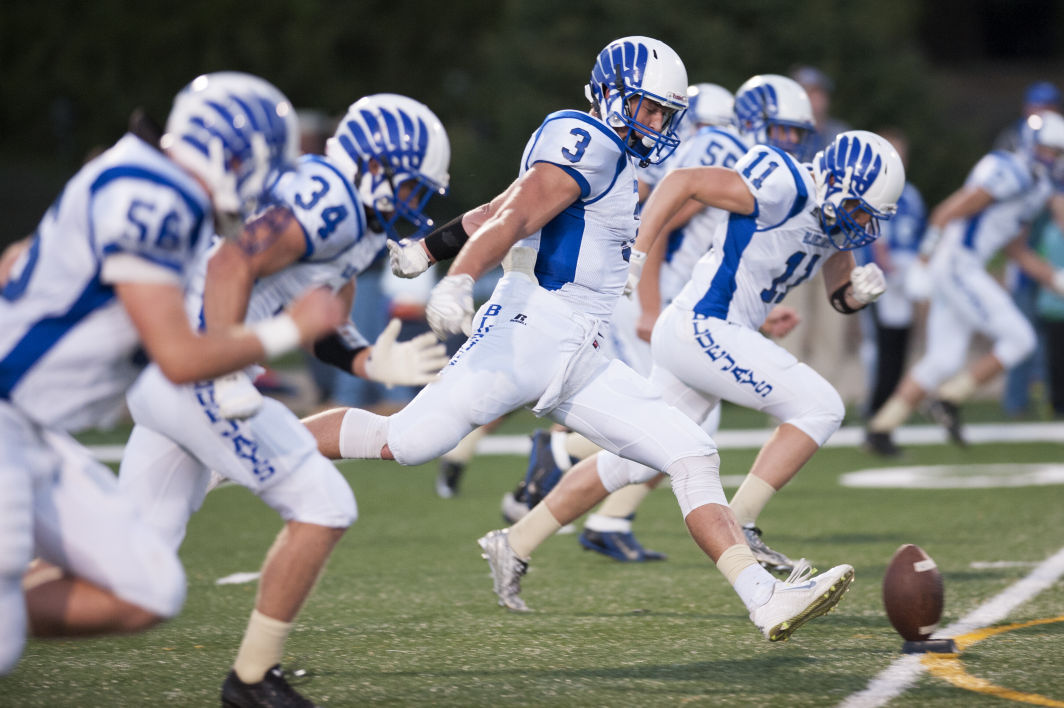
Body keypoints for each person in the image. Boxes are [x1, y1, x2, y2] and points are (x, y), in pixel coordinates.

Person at [310, 36, 856, 642]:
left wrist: (426, 247)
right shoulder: (585, 137)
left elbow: (495, 205)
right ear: (608, 95)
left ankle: (765, 598)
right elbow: (516, 213)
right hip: (527, 331)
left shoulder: (614, 158)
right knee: (406, 441)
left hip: (584, 350)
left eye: (663, 113)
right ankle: (274, 444)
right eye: (645, 107)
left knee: (693, 453)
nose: (654, 122)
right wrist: (459, 274)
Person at [0, 72, 346, 677]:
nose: (261, 185)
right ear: (232, 154)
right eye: (260, 166)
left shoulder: (132, 171)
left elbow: (12, 264)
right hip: (9, 422)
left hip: (33, 433)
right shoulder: (157, 194)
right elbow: (180, 357)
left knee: (150, 589)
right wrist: (290, 329)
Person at [117, 94, 451, 707]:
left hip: (179, 375)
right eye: (408, 183)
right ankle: (250, 681)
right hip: (197, 370)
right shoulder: (329, 201)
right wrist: (220, 371)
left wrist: (370, 360)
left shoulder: (357, 221)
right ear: (372, 165)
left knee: (128, 571)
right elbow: (227, 265)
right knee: (323, 505)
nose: (413, 200)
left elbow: (323, 327)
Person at [502, 76, 811, 565]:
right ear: (752, 122)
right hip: (651, 290)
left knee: (680, 418)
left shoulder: (762, 172)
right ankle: (564, 458)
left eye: (798, 134)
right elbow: (662, 219)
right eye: (782, 130)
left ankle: (606, 517)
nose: (790, 143)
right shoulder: (726, 150)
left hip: (675, 296)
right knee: (668, 420)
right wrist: (649, 302)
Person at [867, 110, 1064, 450]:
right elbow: (947, 211)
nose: (1054, 158)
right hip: (957, 265)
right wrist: (923, 261)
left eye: (1058, 152)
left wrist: (1056, 280)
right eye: (1049, 150)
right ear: (1032, 146)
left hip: (963, 266)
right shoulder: (1011, 173)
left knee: (943, 359)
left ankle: (880, 428)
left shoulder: (1036, 187)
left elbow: (1017, 250)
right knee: (1021, 339)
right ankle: (946, 400)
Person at [857, 128, 927, 457]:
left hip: (906, 276)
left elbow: (921, 239)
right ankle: (877, 417)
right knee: (885, 352)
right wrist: (887, 267)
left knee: (898, 350)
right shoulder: (875, 188)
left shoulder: (911, 194)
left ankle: (884, 419)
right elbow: (874, 239)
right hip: (883, 280)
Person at [790, 65, 850, 156]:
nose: (816, 97)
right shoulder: (784, 133)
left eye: (819, 92)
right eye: (808, 91)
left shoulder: (841, 132)